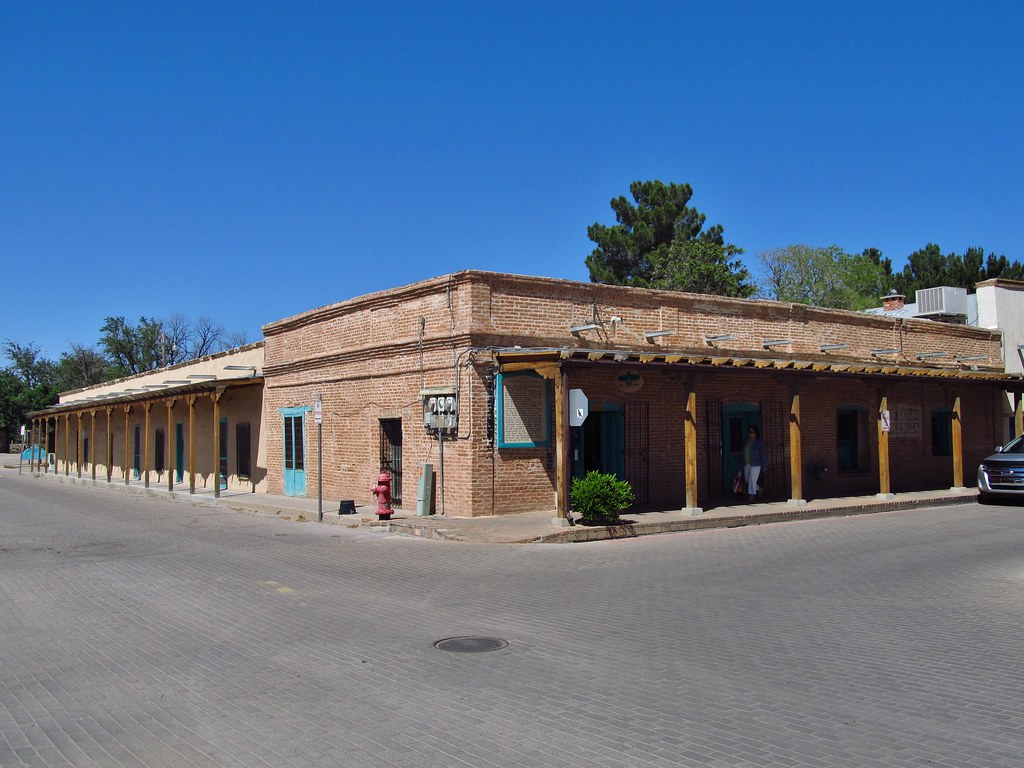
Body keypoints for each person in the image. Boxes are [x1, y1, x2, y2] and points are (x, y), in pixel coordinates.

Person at [743, 426, 766, 503]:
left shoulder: (759, 443)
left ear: (755, 433)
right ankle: (759, 489)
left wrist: (764, 465)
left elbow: (763, 454)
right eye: (749, 432)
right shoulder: (747, 442)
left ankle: (751, 496)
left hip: (756, 464)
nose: (750, 433)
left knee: (752, 479)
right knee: (747, 479)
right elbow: (743, 454)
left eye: (751, 432)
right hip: (747, 463)